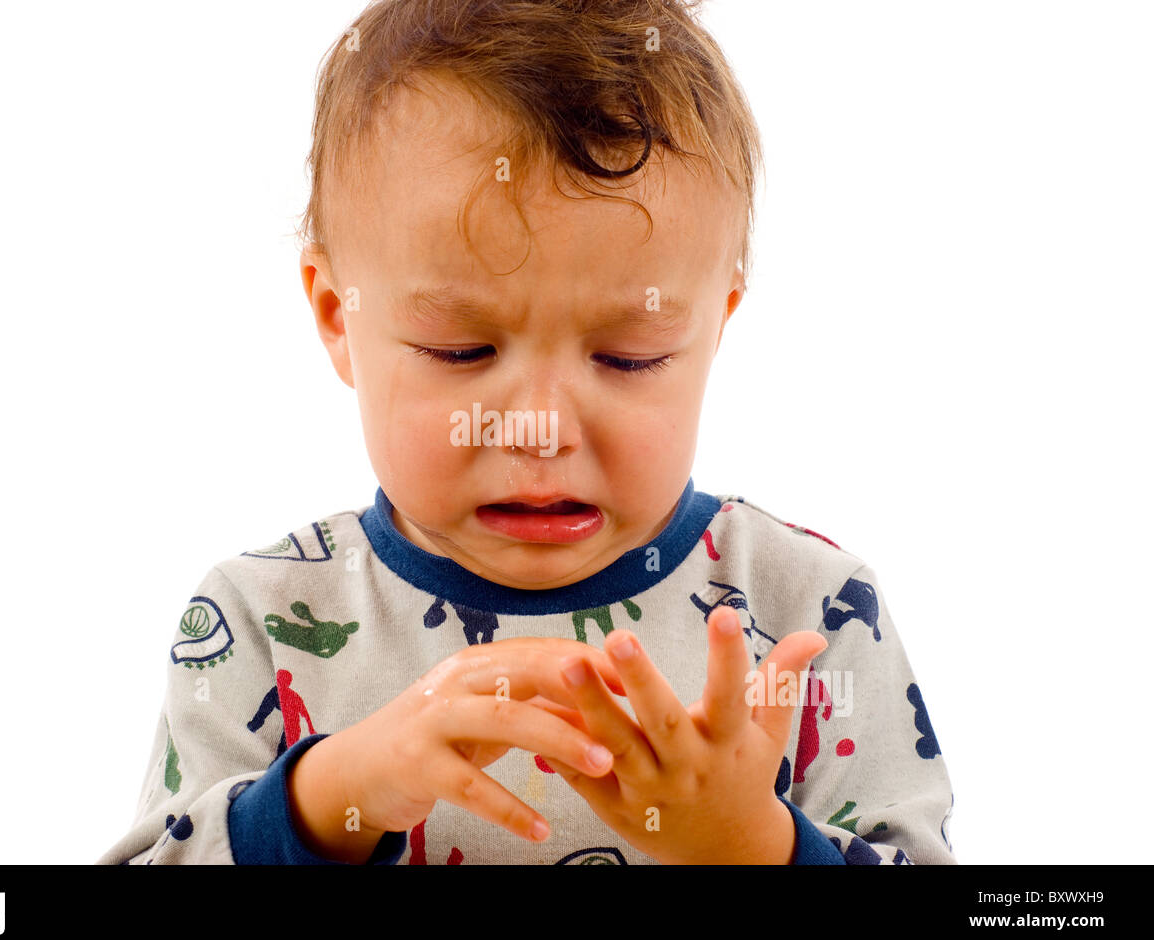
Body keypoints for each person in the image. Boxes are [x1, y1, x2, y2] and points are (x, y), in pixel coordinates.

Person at [99, 0, 956, 865]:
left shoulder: (809, 617)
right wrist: (328, 800)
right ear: (336, 314)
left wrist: (751, 845)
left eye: (630, 356)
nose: (541, 429)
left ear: (713, 326)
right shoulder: (262, 619)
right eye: (460, 349)